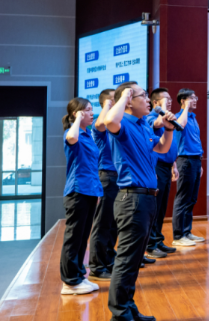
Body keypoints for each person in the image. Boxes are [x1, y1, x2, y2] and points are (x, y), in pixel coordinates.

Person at [104, 81, 177, 321]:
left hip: (146, 199)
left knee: (134, 260)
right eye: (143, 96)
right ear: (128, 101)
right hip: (132, 199)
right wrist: (123, 95)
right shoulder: (122, 123)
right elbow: (109, 121)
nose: (148, 100)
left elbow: (162, 148)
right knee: (126, 259)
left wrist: (168, 129)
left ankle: (128, 307)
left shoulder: (143, 125)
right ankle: (120, 313)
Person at [60, 97, 103, 295]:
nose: (91, 113)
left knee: (82, 237)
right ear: (76, 113)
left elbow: (92, 167)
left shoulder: (88, 135)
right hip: (77, 191)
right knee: (74, 237)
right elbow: (71, 138)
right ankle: (69, 282)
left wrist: (97, 192)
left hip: (90, 191)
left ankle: (78, 276)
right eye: (87, 110)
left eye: (92, 109)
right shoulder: (72, 132)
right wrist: (76, 119)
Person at [144, 88, 179, 259]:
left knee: (162, 206)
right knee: (155, 207)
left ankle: (158, 240)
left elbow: (170, 146)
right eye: (166, 99)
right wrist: (162, 110)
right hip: (157, 167)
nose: (170, 102)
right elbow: (158, 123)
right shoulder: (151, 117)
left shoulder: (168, 118)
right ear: (155, 103)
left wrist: (174, 165)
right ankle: (150, 244)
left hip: (167, 166)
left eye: (170, 99)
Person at [88, 89, 118, 281]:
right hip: (106, 176)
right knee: (102, 223)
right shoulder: (100, 124)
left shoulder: (116, 123)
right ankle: (97, 267)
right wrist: (108, 104)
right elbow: (100, 124)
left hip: (118, 177)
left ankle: (108, 259)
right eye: (116, 99)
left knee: (114, 223)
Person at [172, 88, 205, 247]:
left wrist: (200, 162)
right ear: (183, 100)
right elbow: (180, 125)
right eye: (192, 98)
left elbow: (196, 141)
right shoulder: (179, 117)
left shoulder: (193, 118)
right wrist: (185, 108)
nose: (195, 100)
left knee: (192, 198)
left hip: (195, 160)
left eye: (196, 97)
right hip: (185, 160)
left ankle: (187, 232)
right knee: (182, 198)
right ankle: (178, 236)